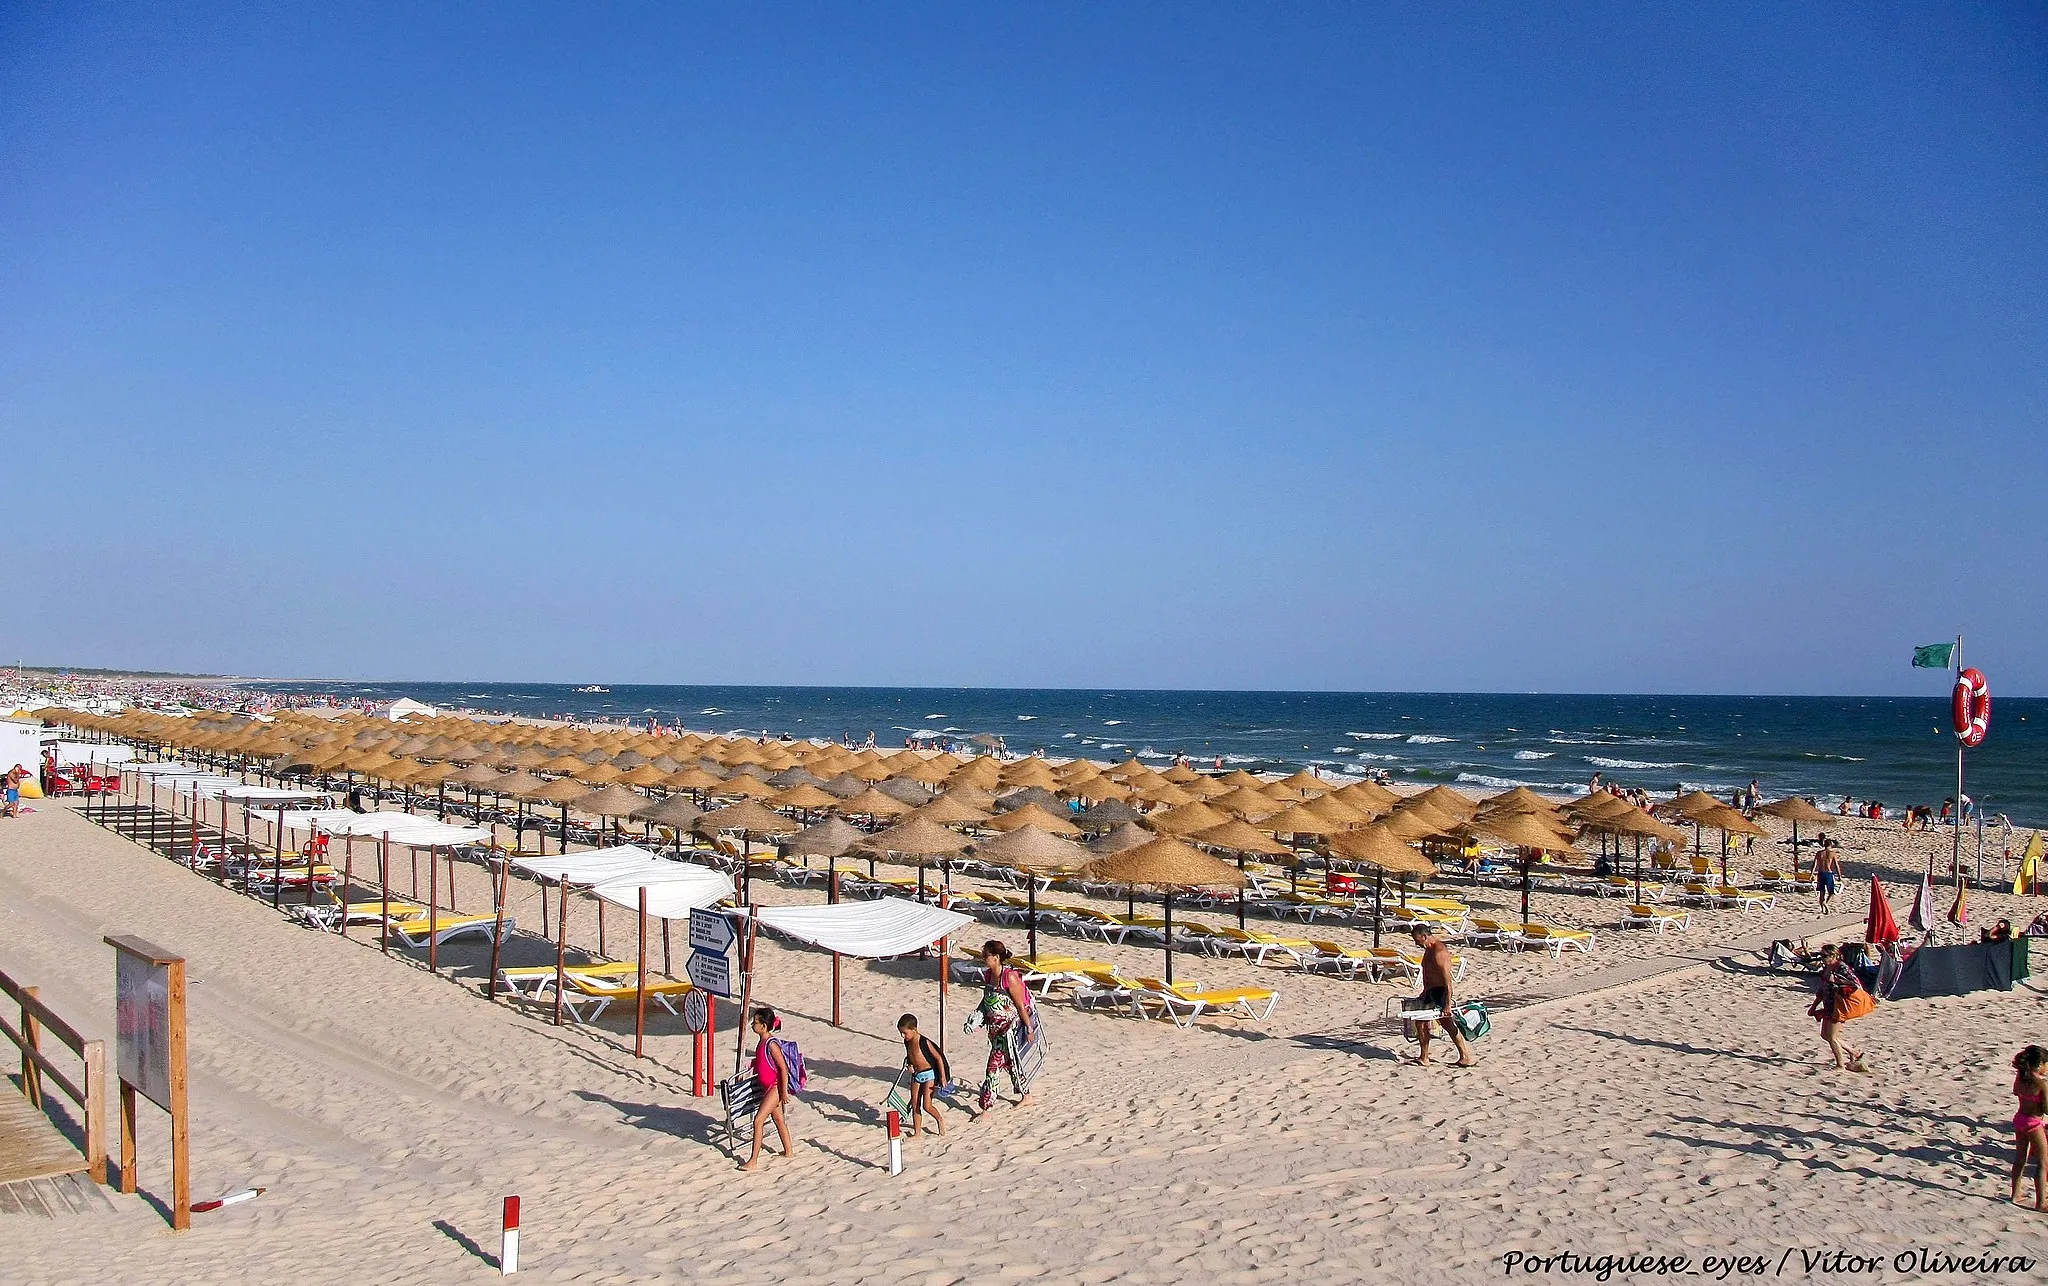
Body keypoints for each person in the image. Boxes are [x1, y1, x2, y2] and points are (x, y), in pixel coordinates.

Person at [971, 941, 1036, 1110]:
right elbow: (987, 1000)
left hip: (1009, 1030)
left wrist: (1029, 1028)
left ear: (996, 957)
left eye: (986, 955)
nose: (983, 958)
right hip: (994, 1030)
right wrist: (977, 1016)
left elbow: (1020, 1005)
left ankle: (987, 1107)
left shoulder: (1009, 977)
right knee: (1010, 1063)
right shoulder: (988, 975)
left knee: (993, 1067)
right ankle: (1026, 1095)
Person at [1406, 925, 1476, 1067]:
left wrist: (1448, 1004)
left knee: (1440, 1023)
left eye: (1417, 940)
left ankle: (1461, 1056)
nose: (1416, 943)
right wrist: (1425, 992)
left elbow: (1448, 982)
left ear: (1424, 936)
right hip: (1431, 992)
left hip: (1440, 992)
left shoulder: (1439, 952)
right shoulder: (1428, 950)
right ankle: (1426, 1057)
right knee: (1424, 1023)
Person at [739, 1006, 795, 1171]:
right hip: (768, 1087)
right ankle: (789, 1151)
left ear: (764, 1026)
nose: (752, 1025)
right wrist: (751, 1065)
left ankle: (753, 1161)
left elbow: (783, 1068)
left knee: (758, 1120)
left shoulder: (771, 1044)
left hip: (775, 1088)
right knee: (778, 1120)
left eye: (755, 1022)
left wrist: (783, 1091)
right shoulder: (761, 1042)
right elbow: (762, 1062)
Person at [1809, 944, 1870, 1072]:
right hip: (1828, 1005)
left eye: (1825, 956)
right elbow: (1822, 990)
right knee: (1825, 1035)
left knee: (1832, 1037)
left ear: (1833, 956)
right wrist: (1814, 1006)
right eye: (1821, 955)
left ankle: (1840, 1065)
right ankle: (1854, 1053)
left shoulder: (1841, 968)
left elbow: (1855, 984)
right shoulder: (1827, 969)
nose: (1822, 958)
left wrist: (1837, 980)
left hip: (1839, 1006)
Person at [897, 1013, 952, 1136]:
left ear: (914, 1029)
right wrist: (909, 1065)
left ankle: (939, 1120)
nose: (902, 1035)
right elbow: (910, 1056)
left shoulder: (924, 1041)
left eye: (905, 1033)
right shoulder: (907, 1042)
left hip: (929, 1075)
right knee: (915, 1104)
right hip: (916, 1075)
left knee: (927, 1105)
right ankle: (917, 1133)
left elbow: (938, 1057)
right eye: (901, 1033)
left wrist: (943, 1077)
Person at [2011, 1046, 2047, 1210]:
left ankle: (2015, 1194)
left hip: (2020, 1119)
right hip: (2034, 1123)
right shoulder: (2041, 1084)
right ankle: (2041, 1203)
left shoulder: (2020, 1079)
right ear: (2040, 1064)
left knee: (2020, 1159)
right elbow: (2046, 1109)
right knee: (2042, 1163)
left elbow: (2015, 1092)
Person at [1812, 836, 1841, 913]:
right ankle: (1826, 903)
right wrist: (1839, 876)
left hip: (1820, 873)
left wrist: (1811, 873)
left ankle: (1822, 909)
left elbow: (1814, 864)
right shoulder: (1832, 853)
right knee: (1831, 892)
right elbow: (1836, 865)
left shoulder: (1819, 853)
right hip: (1828, 873)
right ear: (1830, 845)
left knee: (1822, 892)